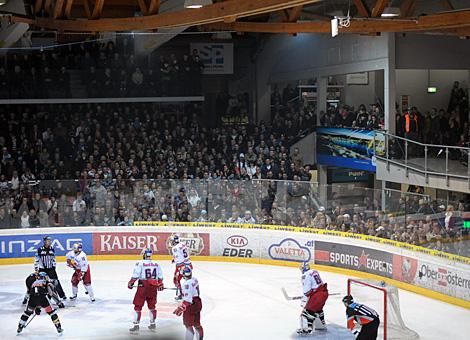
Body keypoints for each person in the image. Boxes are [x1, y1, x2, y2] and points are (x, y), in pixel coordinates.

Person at [128, 248, 164, 333]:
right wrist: (160, 284)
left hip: (143, 286)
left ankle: (136, 325)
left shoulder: (140, 263)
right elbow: (160, 277)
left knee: (138, 306)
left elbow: (135, 275)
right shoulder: (156, 264)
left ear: (144, 254)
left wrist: (131, 282)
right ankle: (153, 324)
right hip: (153, 287)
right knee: (152, 306)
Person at [30, 236, 66, 301]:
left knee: (56, 282)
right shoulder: (40, 249)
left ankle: (62, 295)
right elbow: (36, 259)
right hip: (42, 270)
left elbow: (54, 258)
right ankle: (43, 296)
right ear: (44, 241)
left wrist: (54, 266)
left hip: (51, 269)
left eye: (50, 241)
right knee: (43, 283)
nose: (50, 242)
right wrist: (36, 268)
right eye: (48, 240)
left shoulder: (52, 249)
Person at [297, 263, 329, 335]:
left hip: (317, 296)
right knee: (317, 310)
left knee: (306, 312)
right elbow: (315, 285)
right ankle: (321, 325)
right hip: (324, 293)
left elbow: (307, 291)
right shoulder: (314, 271)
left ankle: (306, 329)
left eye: (301, 268)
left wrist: (304, 301)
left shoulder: (305, 275)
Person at [173, 266, 203, 340]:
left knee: (188, 326)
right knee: (197, 324)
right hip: (198, 302)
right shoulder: (194, 279)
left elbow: (188, 300)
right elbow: (191, 291)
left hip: (191, 305)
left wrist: (180, 308)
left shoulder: (186, 284)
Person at [170, 234, 192, 300]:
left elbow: (180, 261)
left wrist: (179, 268)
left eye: (172, 241)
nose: (171, 242)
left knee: (176, 280)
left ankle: (181, 294)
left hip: (182, 266)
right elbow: (183, 254)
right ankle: (190, 294)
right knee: (188, 281)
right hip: (189, 264)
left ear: (174, 241)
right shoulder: (183, 244)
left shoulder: (174, 248)